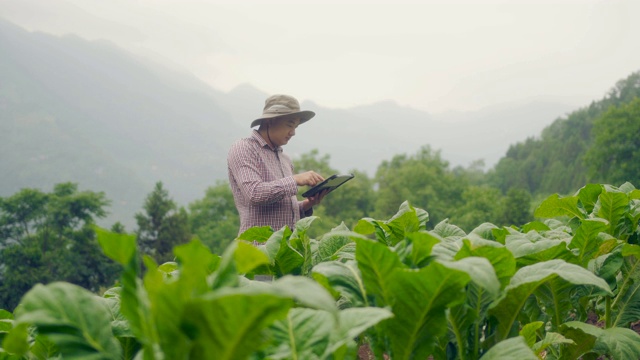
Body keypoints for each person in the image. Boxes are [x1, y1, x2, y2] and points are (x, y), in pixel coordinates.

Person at [227, 94, 328, 235]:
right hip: (258, 250)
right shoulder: (243, 148)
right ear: (270, 121)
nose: (293, 132)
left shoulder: (284, 158)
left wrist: (305, 205)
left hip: (286, 251)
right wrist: (295, 180)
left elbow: (281, 210)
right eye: (290, 125)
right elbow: (254, 194)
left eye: (296, 127)